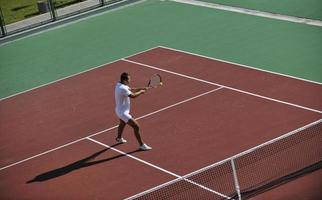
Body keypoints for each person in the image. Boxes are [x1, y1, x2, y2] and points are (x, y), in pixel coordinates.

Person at [114, 72, 152, 151]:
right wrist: (141, 92)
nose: (130, 81)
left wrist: (142, 88)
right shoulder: (123, 88)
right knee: (136, 126)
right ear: (124, 80)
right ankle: (142, 145)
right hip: (123, 113)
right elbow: (133, 96)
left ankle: (119, 138)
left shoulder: (119, 85)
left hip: (119, 110)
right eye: (129, 79)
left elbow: (131, 89)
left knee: (122, 123)